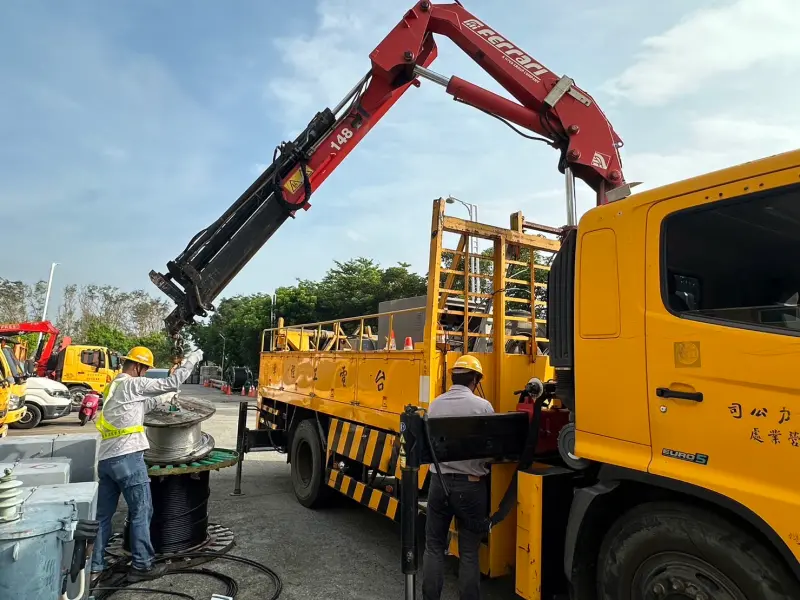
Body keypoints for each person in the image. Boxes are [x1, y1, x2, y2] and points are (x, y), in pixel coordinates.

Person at [90, 345, 204, 583]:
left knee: (102, 516)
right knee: (141, 511)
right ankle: (141, 565)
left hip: (106, 461)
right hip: (128, 459)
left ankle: (96, 566)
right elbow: (172, 382)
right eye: (145, 369)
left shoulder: (115, 386)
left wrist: (163, 399)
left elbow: (140, 408)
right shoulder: (134, 384)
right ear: (138, 367)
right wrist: (192, 359)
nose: (146, 374)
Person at [422, 354, 495, 600]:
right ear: (475, 379)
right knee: (469, 552)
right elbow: (491, 450)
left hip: (438, 484)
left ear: (453, 377)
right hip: (472, 488)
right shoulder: (483, 407)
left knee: (433, 546)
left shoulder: (435, 405)